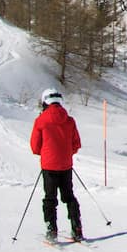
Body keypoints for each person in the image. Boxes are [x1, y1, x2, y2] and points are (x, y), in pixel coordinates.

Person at [30, 89, 83, 241]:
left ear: (45, 101)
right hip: (66, 165)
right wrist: (66, 154)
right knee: (69, 197)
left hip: (49, 166)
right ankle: (77, 227)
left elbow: (35, 147)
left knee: (50, 199)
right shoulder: (70, 120)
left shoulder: (40, 121)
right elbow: (76, 144)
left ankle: (51, 230)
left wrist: (47, 154)